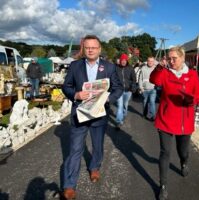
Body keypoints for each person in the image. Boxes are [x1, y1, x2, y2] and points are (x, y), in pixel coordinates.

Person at [62, 35, 123, 200]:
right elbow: (66, 86)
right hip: (79, 114)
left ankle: (94, 166)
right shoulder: (75, 66)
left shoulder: (109, 67)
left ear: (99, 49)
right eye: (87, 47)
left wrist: (107, 98)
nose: (90, 50)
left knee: (97, 146)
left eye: (93, 47)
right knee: (75, 150)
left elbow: (118, 88)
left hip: (99, 115)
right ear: (83, 48)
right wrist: (76, 94)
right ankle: (69, 185)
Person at [149, 46, 199, 200]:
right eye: (169, 58)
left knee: (183, 151)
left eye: (174, 58)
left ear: (182, 58)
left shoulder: (192, 74)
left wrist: (192, 99)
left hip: (185, 121)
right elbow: (154, 80)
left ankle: (184, 162)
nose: (171, 61)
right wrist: (160, 66)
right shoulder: (165, 73)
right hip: (166, 119)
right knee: (165, 153)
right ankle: (163, 186)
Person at [115, 53, 136, 129]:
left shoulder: (130, 68)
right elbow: (113, 79)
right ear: (120, 61)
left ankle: (124, 114)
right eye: (122, 60)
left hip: (128, 90)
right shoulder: (116, 68)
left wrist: (133, 87)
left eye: (125, 60)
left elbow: (134, 79)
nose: (123, 61)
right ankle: (118, 121)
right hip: (119, 90)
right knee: (119, 105)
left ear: (127, 61)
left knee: (125, 104)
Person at [138, 56, 157, 121]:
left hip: (153, 89)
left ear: (153, 62)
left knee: (152, 102)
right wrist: (141, 88)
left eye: (151, 61)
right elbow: (140, 79)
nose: (150, 62)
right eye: (149, 61)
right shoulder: (143, 68)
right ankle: (144, 114)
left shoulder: (156, 69)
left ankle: (153, 116)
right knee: (145, 102)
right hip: (145, 89)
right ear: (147, 61)